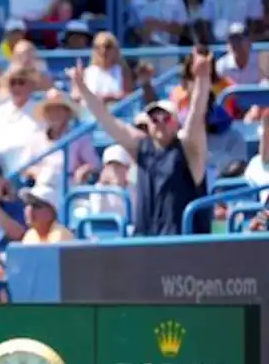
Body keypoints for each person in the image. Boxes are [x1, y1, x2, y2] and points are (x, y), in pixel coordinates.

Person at [69, 50, 209, 236]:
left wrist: (202, 78)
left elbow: (196, 116)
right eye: (154, 119)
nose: (159, 123)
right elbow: (106, 119)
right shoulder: (142, 148)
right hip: (147, 241)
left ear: (176, 123)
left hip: (182, 243)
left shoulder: (187, 149)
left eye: (165, 118)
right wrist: (83, 89)